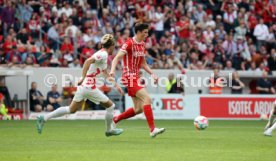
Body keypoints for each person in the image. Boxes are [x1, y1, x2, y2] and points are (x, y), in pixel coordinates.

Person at [36, 34, 124, 137]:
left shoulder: (102, 55)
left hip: (84, 87)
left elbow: (105, 73)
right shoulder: (103, 54)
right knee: (111, 106)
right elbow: (87, 61)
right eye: (115, 46)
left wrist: (116, 85)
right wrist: (82, 77)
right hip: (89, 87)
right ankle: (109, 130)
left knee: (71, 109)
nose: (115, 48)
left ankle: (44, 118)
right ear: (111, 45)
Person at [110, 23, 165, 138]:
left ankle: (115, 120)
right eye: (145, 32)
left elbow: (143, 63)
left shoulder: (142, 45)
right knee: (147, 98)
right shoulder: (129, 43)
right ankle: (152, 129)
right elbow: (116, 58)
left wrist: (152, 74)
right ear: (139, 32)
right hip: (129, 77)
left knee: (139, 109)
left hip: (136, 77)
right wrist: (112, 71)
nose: (147, 34)